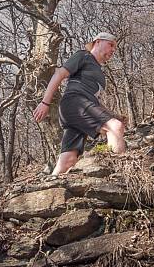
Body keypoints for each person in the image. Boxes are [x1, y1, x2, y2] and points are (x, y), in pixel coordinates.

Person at [33, 32, 126, 175]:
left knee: (68, 160)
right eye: (111, 44)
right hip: (75, 102)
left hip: (78, 109)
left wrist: (112, 114)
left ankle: (50, 187)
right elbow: (59, 74)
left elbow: (94, 101)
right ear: (98, 42)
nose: (113, 50)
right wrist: (45, 102)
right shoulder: (84, 56)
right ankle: (121, 176)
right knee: (115, 127)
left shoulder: (100, 74)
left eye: (114, 47)